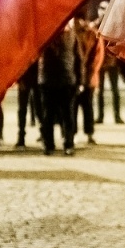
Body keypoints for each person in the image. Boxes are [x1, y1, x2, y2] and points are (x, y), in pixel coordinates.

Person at [39, 26, 80, 156]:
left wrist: (79, 80)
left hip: (60, 80)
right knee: (54, 116)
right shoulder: (68, 35)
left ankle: (61, 144)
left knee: (60, 115)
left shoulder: (69, 35)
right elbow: (79, 58)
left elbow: (78, 59)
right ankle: (56, 144)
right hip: (55, 79)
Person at [14, 61, 38, 148]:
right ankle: (21, 137)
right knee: (23, 110)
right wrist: (19, 79)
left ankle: (21, 138)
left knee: (23, 109)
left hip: (32, 77)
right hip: (32, 77)